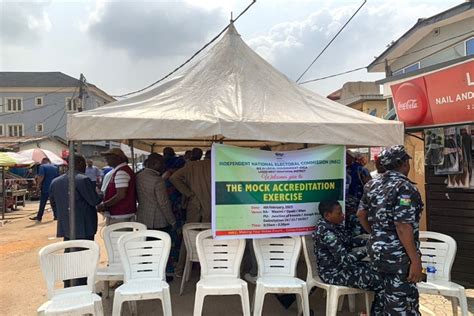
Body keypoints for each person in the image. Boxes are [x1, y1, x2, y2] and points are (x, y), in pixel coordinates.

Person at [357, 145, 423, 315]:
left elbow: (361, 214)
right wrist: (415, 260)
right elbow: (402, 226)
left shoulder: (371, 184)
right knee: (401, 305)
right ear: (403, 164)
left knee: (381, 299)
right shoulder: (405, 188)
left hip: (376, 253)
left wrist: (377, 233)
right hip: (398, 256)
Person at [313, 200, 384, 314]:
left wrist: (371, 240)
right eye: (339, 213)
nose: (343, 215)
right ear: (327, 215)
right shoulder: (326, 232)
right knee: (380, 281)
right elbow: (344, 260)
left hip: (345, 268)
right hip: (333, 273)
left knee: (383, 271)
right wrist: (369, 249)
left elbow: (349, 241)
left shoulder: (334, 225)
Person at [49, 154, 102, 287]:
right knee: (84, 258)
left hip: (66, 227)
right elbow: (94, 200)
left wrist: (61, 217)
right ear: (78, 163)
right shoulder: (82, 180)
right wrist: (100, 192)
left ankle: (68, 284)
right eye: (83, 164)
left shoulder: (55, 182)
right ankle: (84, 287)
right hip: (84, 226)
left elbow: (53, 203)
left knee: (70, 256)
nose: (85, 167)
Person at [170, 149, 211, 277]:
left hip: (194, 207)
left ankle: (181, 269)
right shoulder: (221, 166)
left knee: (188, 238)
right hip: (213, 208)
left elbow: (173, 178)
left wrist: (189, 194)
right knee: (210, 239)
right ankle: (208, 269)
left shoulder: (192, 166)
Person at [97, 148, 137, 225]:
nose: (106, 159)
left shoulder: (121, 172)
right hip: (121, 213)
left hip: (120, 215)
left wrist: (104, 205)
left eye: (109, 157)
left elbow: (120, 195)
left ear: (118, 158)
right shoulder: (120, 170)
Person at [30, 158, 59, 222]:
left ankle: (39, 217)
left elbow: (41, 177)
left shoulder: (42, 167)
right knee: (53, 203)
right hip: (54, 187)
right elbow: (57, 177)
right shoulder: (55, 167)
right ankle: (56, 216)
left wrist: (38, 185)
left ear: (43, 161)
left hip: (45, 188)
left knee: (43, 203)